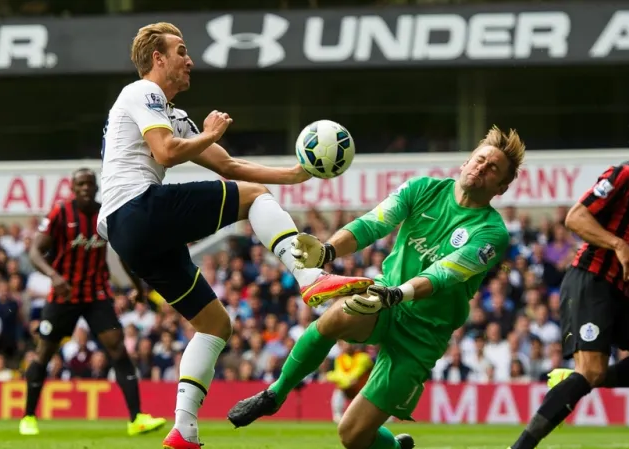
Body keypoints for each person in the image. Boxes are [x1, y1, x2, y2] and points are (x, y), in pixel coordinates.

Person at [98, 22, 371, 449]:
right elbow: (166, 152)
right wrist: (207, 134)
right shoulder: (143, 92)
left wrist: (295, 174)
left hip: (128, 233)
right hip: (136, 209)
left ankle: (182, 430)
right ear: (157, 58)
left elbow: (229, 166)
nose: (189, 60)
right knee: (252, 198)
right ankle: (309, 278)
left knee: (215, 324)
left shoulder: (171, 113)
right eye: (181, 51)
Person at [228, 125, 525, 449]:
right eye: (480, 159)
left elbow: (444, 273)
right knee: (336, 316)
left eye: (493, 168)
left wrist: (398, 293)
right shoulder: (422, 188)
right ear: (466, 162)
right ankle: (276, 393)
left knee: (352, 435)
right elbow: (373, 223)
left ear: (502, 186)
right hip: (384, 298)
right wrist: (327, 251)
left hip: (423, 333)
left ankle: (397, 448)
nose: (482, 167)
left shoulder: (492, 232)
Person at [508, 108, 629, 449]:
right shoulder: (624, 176)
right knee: (590, 370)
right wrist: (618, 244)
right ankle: (518, 447)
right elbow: (575, 218)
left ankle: (576, 380)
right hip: (589, 280)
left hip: (620, 296)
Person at [19, 168, 167, 436]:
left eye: (90, 183)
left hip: (97, 295)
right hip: (64, 296)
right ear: (72, 188)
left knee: (118, 349)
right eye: (80, 184)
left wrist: (138, 288)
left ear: (96, 187)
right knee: (44, 353)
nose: (86, 188)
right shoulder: (60, 213)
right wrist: (54, 276)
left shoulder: (107, 213)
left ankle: (137, 418)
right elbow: (34, 251)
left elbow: (124, 252)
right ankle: (28, 416)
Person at [327, 342, 374, 423]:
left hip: (363, 387)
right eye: (344, 344)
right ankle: (338, 417)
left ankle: (387, 418)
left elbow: (358, 372)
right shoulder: (339, 359)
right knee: (338, 391)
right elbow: (339, 373)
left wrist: (334, 377)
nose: (347, 346)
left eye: (349, 344)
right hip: (348, 386)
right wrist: (345, 381)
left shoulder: (363, 357)